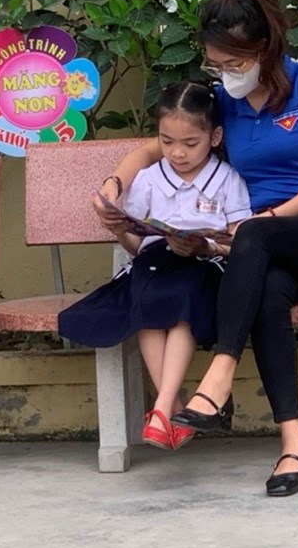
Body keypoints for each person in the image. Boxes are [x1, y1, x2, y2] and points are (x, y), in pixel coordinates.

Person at [94, 0, 298, 497]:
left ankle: (219, 378)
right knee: (266, 292)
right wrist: (115, 185)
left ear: (265, 47)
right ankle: (295, 443)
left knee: (255, 239)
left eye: (233, 62)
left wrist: (264, 222)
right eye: (216, 65)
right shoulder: (226, 101)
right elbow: (155, 148)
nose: (225, 74)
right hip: (264, 250)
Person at [60, 82, 251, 450]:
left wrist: (204, 246)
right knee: (145, 298)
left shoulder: (228, 180)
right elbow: (136, 247)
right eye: (166, 141)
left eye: (190, 143)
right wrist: (120, 230)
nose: (177, 152)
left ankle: (162, 407)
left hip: (203, 267)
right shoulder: (148, 179)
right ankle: (170, 408)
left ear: (214, 137)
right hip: (152, 265)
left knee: (183, 299)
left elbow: (238, 243)